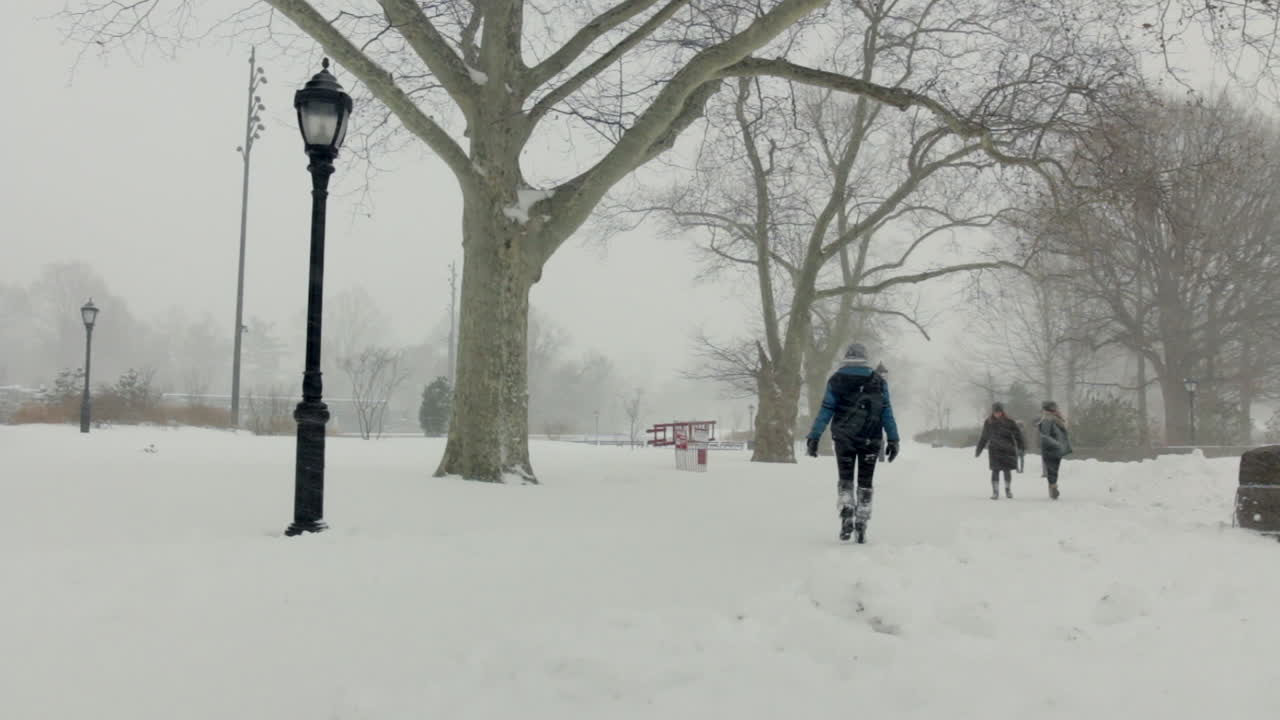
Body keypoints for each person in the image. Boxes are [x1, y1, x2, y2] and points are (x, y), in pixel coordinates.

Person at [805, 342, 900, 542]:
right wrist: (893, 439)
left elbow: (826, 409)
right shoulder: (878, 381)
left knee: (846, 478)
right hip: (870, 439)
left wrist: (814, 436)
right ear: (865, 358)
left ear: (846, 357)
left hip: (843, 438)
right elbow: (886, 411)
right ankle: (862, 523)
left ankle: (847, 509)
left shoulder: (836, 380)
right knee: (866, 482)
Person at [975, 402, 1026, 500]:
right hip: (994, 450)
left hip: (1008, 449)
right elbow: (984, 437)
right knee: (995, 470)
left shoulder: (1009, 422)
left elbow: (1017, 435)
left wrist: (1021, 446)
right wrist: (979, 449)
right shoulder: (988, 422)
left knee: (1007, 471)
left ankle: (1008, 490)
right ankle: (995, 492)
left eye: (999, 412)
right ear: (993, 412)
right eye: (995, 412)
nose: (997, 414)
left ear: (1002, 412)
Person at [1037, 400, 1071, 499]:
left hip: (1056, 449)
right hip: (1050, 448)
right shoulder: (1047, 419)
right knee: (1052, 469)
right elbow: (1045, 436)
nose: (1056, 409)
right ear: (1050, 409)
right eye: (1054, 407)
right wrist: (1056, 443)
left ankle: (1052, 487)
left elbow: (1061, 432)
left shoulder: (1056, 418)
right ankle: (1053, 487)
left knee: (1054, 469)